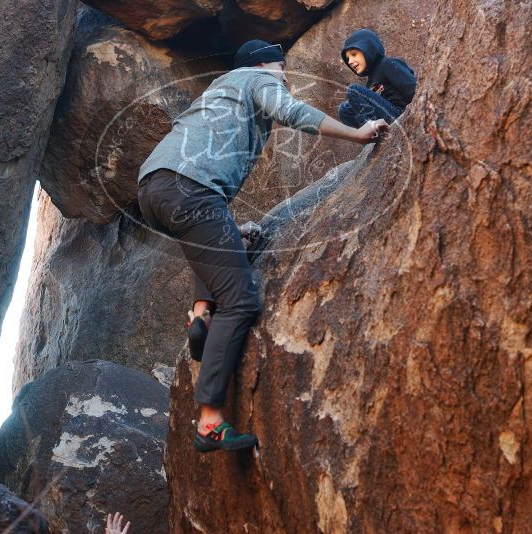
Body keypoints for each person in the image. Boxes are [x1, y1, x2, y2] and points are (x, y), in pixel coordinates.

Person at [136, 39, 388, 453]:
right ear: (262, 66)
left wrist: (231, 229)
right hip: (192, 191)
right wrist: (356, 135)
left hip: (155, 187)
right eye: (281, 70)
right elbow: (293, 112)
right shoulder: (254, 78)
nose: (286, 77)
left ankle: (200, 317)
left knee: (220, 238)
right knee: (242, 302)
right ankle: (210, 423)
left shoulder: (219, 91)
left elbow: (199, 190)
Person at [337, 29, 417, 128]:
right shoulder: (370, 82)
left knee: (354, 90)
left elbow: (413, 89)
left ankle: (371, 129)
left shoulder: (387, 64)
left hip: (400, 113)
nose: (350, 61)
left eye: (353, 54)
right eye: (348, 58)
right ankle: (371, 135)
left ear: (368, 48)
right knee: (344, 109)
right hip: (385, 118)